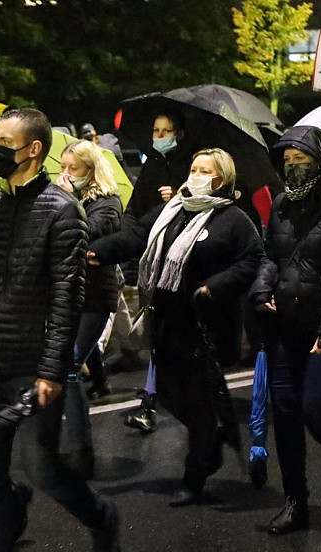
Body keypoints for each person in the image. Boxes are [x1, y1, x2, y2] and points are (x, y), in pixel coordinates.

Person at [0, 108, 120, 551]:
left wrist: (50, 371)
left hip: (32, 367)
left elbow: (68, 298)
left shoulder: (64, 211)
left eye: (5, 143)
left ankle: (101, 516)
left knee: (41, 469)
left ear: (34, 149)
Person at [89, 148, 263, 505]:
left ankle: (194, 476)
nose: (195, 174)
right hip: (168, 319)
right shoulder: (174, 210)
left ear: (221, 179)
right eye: (193, 167)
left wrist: (212, 286)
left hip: (206, 325)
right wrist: (99, 251)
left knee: (198, 401)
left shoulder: (233, 219)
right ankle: (211, 438)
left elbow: (253, 258)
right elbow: (137, 235)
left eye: (204, 170)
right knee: (168, 393)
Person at [249, 126, 321, 535]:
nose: (293, 167)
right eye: (287, 161)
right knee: (285, 413)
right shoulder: (281, 204)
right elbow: (269, 255)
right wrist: (263, 286)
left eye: (302, 160)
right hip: (285, 329)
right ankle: (295, 502)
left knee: (317, 410)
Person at [121, 112, 194, 433]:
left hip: (184, 266)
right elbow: (135, 212)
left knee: (176, 338)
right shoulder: (151, 166)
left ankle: (153, 401)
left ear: (179, 134)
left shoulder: (192, 168)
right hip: (155, 263)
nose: (160, 135)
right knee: (160, 333)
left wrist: (180, 199)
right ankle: (154, 399)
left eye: (167, 130)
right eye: (156, 130)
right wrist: (122, 241)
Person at [55, 139, 123, 399]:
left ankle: (76, 432)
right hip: (71, 288)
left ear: (91, 171)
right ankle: (101, 381)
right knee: (83, 343)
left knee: (70, 362)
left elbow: (86, 232)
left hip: (96, 290)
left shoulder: (108, 202)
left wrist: (68, 200)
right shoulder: (72, 198)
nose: (65, 174)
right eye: (63, 166)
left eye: (73, 168)